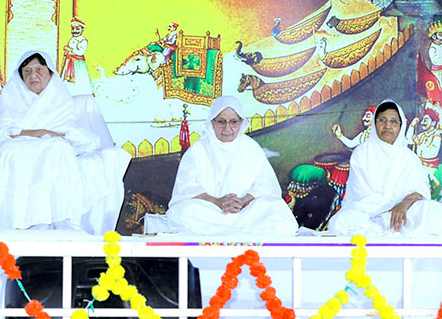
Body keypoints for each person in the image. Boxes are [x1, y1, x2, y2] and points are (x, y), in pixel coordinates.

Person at [0, 51, 129, 232]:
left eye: (39, 69)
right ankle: (16, 223)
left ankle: (57, 222)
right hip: (18, 149)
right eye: (27, 71)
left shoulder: (61, 99)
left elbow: (69, 133)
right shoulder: (12, 98)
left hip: (52, 148)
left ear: (50, 72)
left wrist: (43, 135)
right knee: (11, 148)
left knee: (58, 147)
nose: (33, 75)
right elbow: (1, 133)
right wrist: (41, 132)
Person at [145, 95, 298, 238]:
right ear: (212, 122)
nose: (227, 128)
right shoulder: (198, 149)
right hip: (209, 211)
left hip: (246, 212)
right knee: (184, 212)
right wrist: (219, 202)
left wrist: (242, 201)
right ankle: (237, 232)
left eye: (233, 122)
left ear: (241, 122)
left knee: (276, 210)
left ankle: (230, 232)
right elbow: (187, 189)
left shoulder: (250, 147)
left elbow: (266, 186)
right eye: (221, 121)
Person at [326, 99, 442, 238]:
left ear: (401, 126)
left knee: (432, 210)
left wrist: (403, 205)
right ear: (375, 124)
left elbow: (420, 192)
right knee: (341, 222)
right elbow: (360, 194)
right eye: (382, 120)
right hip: (367, 215)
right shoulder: (362, 152)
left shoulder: (409, 157)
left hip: (402, 214)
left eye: (393, 122)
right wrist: (388, 207)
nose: (388, 125)